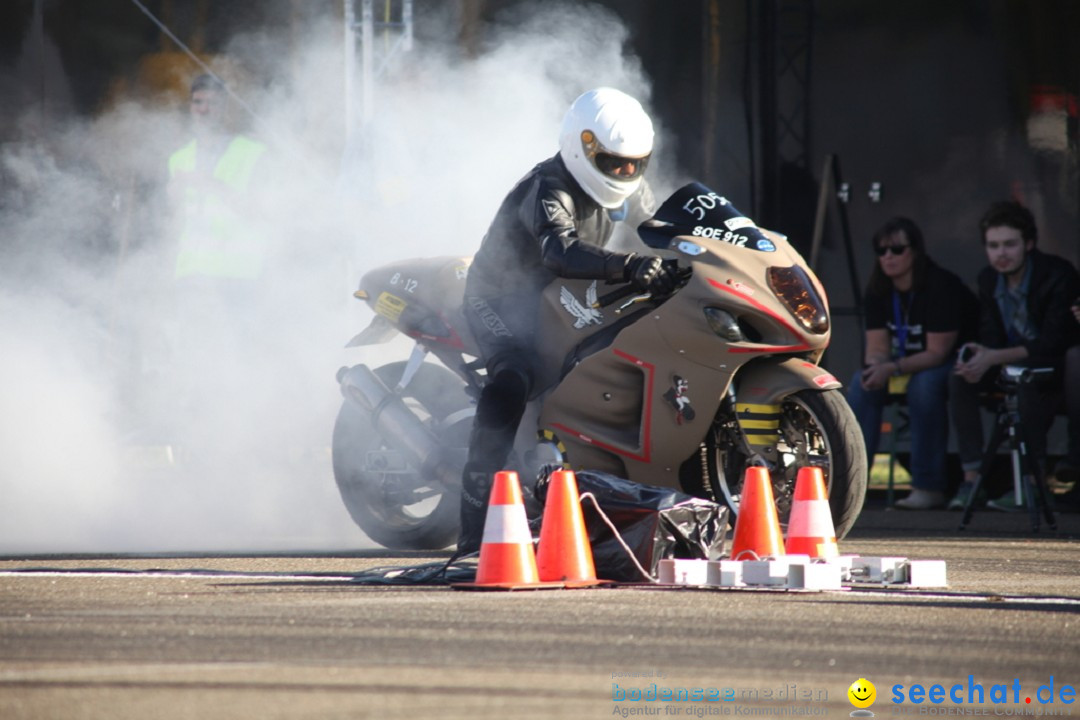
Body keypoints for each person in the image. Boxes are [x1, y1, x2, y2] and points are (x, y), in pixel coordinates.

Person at [456, 87, 677, 553]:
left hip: (557, 297)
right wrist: (626, 265)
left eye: (633, 164)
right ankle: (473, 524)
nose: (624, 172)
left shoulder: (630, 189)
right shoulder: (549, 187)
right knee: (513, 379)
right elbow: (558, 248)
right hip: (499, 297)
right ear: (582, 146)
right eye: (613, 162)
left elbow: (658, 225)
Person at [948, 200, 1080, 511]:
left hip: (1053, 366)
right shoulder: (988, 279)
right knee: (958, 378)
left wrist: (994, 356)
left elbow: (1053, 343)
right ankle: (972, 478)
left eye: (1009, 244)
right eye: (993, 246)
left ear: (1029, 244)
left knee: (1026, 380)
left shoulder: (1057, 273)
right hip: (1009, 361)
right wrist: (980, 356)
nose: (1001, 254)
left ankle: (1033, 485)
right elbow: (990, 336)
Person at [845, 217, 978, 510]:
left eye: (896, 249)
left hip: (952, 363)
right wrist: (877, 366)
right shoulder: (878, 289)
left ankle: (927, 487)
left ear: (915, 251)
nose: (888, 257)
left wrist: (890, 368)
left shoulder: (940, 285)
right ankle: (850, 485)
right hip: (903, 364)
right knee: (861, 381)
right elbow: (876, 348)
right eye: (881, 251)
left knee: (925, 385)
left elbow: (937, 353)